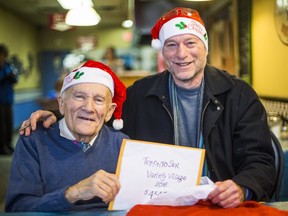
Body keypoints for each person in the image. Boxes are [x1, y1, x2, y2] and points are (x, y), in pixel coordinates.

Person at [19, 7, 276, 209]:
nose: (181, 53)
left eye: (190, 43)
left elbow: (262, 161)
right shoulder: (139, 95)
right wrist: (56, 118)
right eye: (171, 45)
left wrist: (242, 187)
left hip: (219, 205)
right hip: (158, 205)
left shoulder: (238, 94)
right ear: (163, 51)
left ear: (205, 48)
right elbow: (95, 120)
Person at [5, 60, 129, 212]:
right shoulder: (33, 140)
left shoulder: (122, 144)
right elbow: (17, 208)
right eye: (79, 96)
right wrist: (74, 193)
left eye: (98, 100)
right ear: (61, 104)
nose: (88, 108)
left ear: (109, 111)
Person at [0, 44, 18, 155]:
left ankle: (8, 144)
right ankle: (2, 147)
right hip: (0, 101)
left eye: (3, 55)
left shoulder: (8, 66)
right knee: (1, 126)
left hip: (8, 100)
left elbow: (14, 79)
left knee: (9, 123)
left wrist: (11, 77)